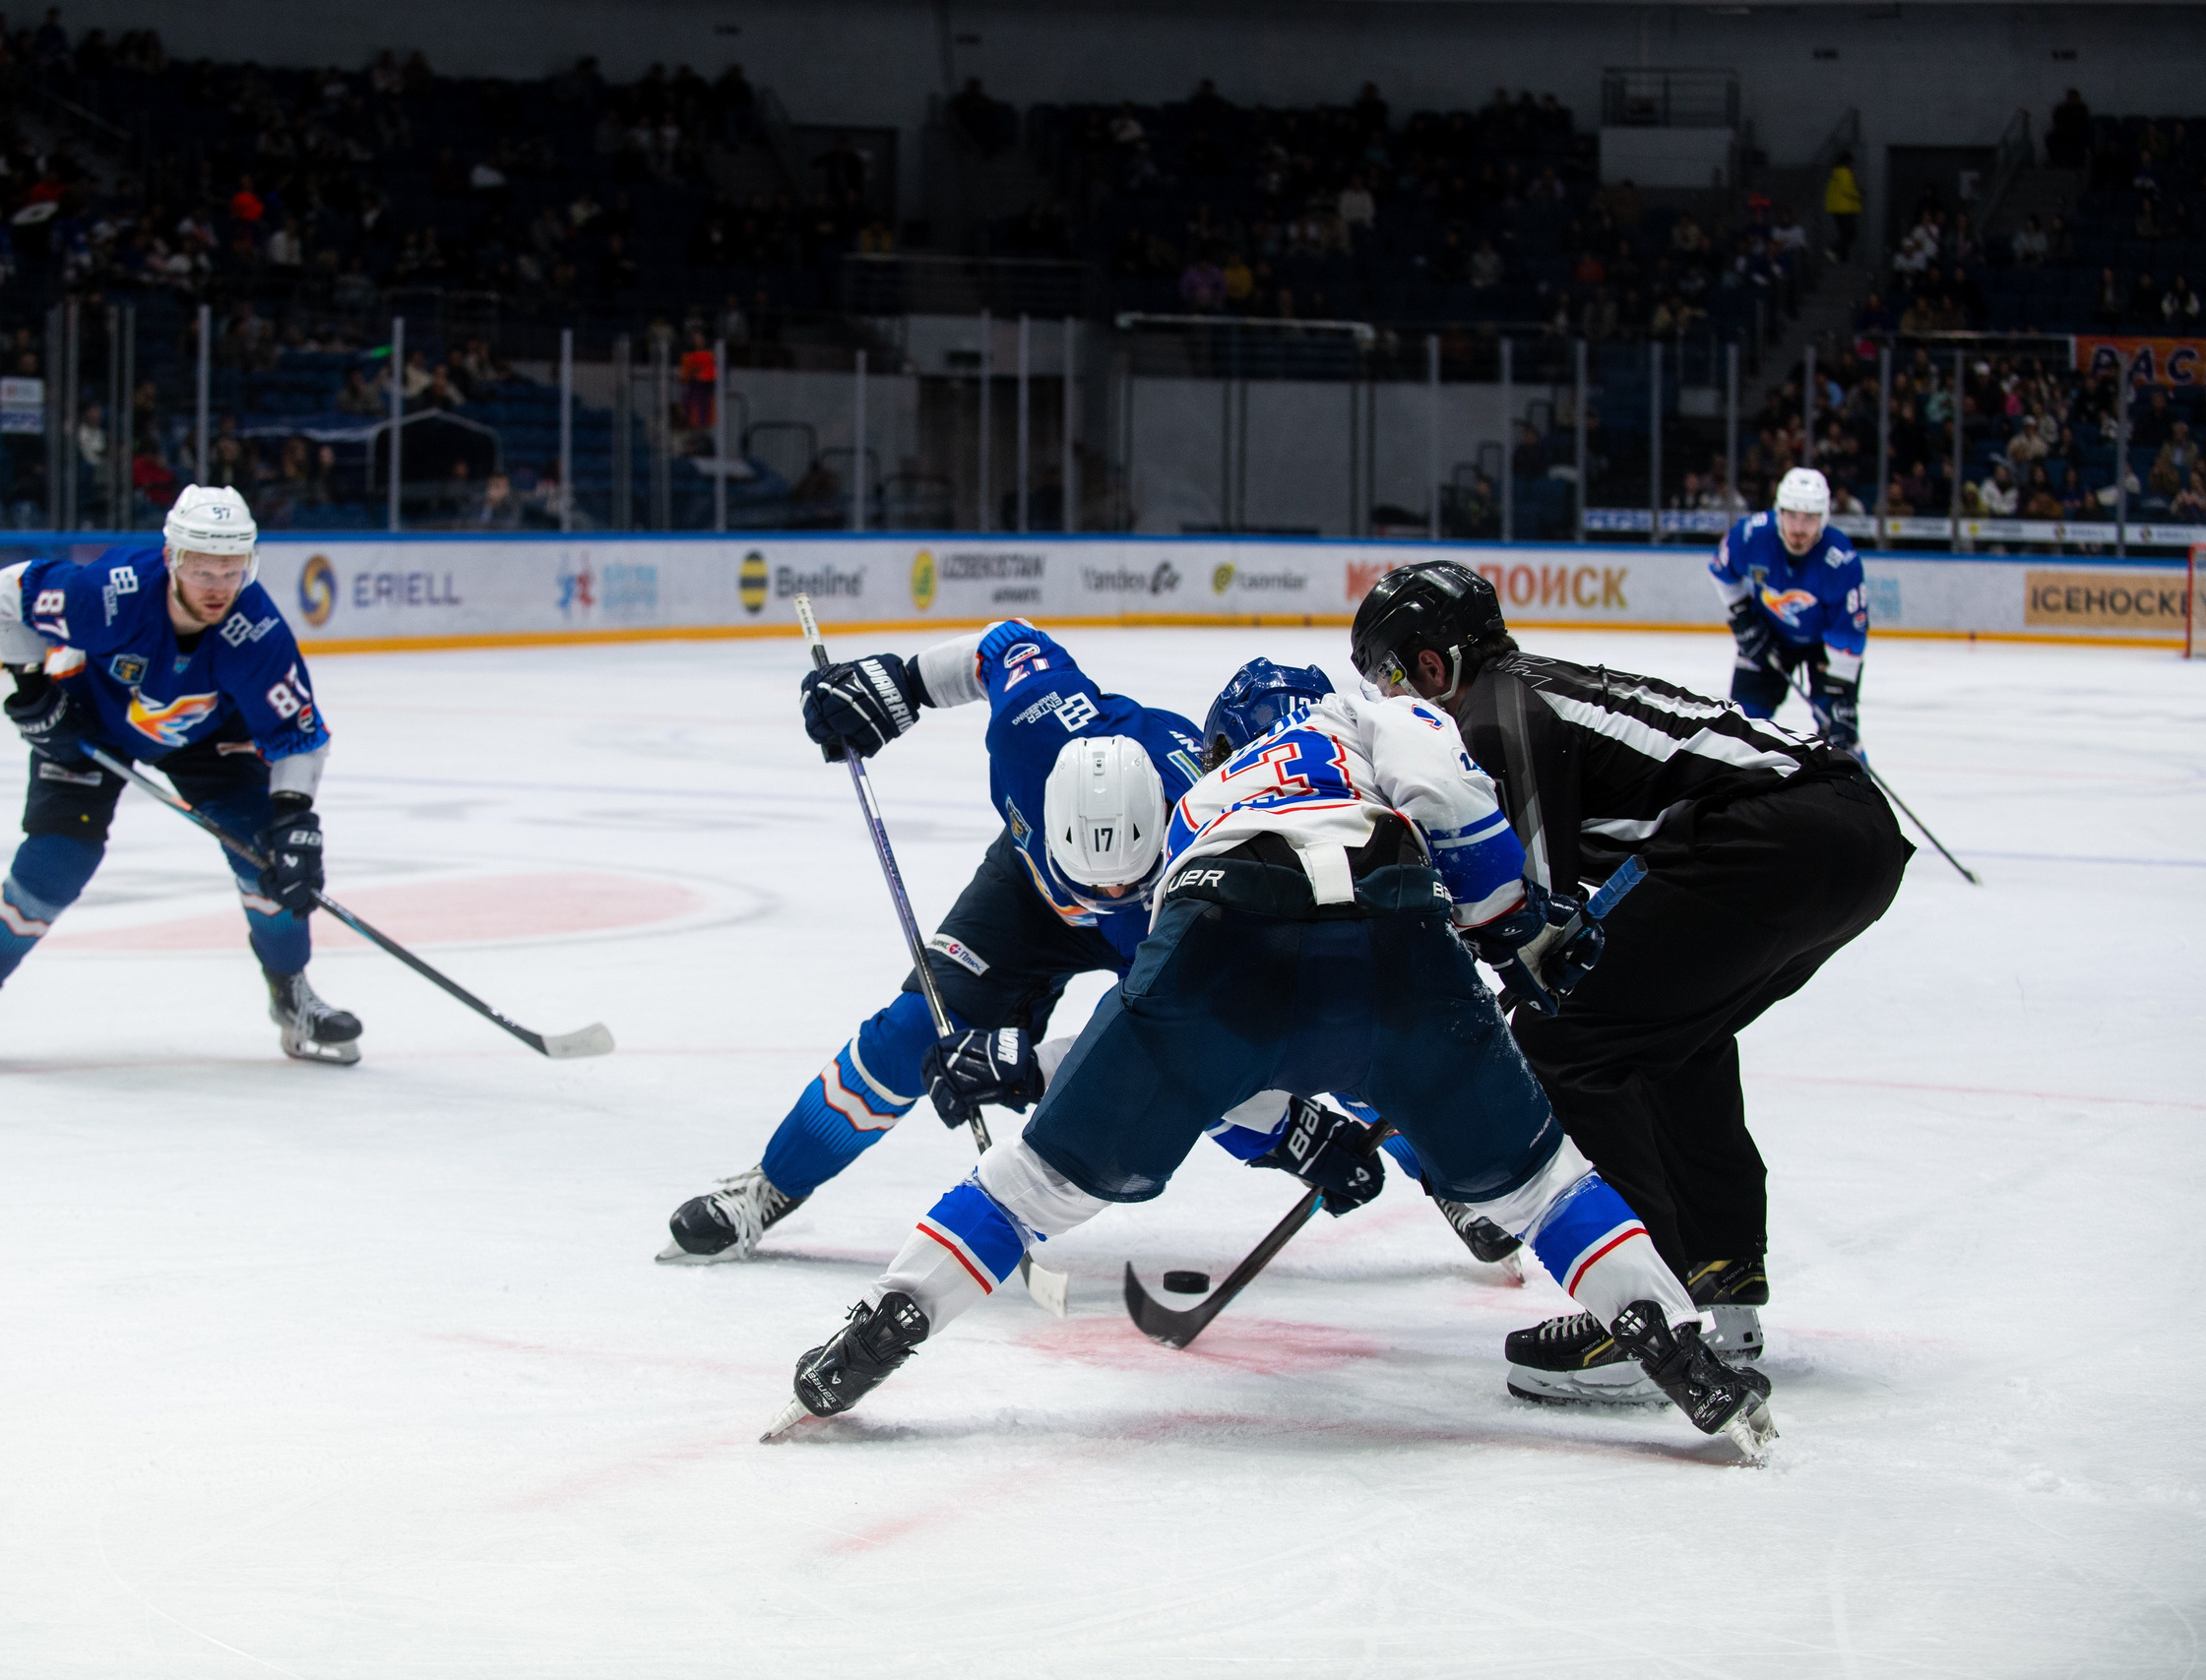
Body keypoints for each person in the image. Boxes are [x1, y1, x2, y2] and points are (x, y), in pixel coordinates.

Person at [771, 647, 1777, 1458]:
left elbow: (1188, 1045)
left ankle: (885, 1321)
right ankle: (1675, 1343)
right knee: (1545, 1189)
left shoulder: (1200, 802)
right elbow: (1450, 800)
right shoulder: (1364, 719)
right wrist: (1518, 924)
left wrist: (1265, 1123)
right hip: (1396, 945)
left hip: (1219, 942)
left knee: (1026, 1188)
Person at [1351, 560, 1909, 1402]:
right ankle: (1719, 1270)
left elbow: (1528, 919)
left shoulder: (1498, 714)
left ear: (1433, 665)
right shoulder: (1526, 690)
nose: (1396, 701)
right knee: (1665, 1027)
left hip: (1786, 834)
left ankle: (1640, 1308)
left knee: (1566, 1029)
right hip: (1842, 833)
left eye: (1392, 676)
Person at [662, 621, 1235, 1260]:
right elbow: (1005, 644)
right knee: (910, 1035)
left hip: (1156, 928)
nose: (1096, 900)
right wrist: (902, 684)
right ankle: (770, 1187)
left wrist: (1023, 1068)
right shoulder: (1034, 725)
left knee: (1183, 1089)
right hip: (1027, 891)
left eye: (1119, 883)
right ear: (1046, 807)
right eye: (1084, 881)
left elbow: (1184, 1040)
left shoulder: (1210, 860)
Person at [0, 485, 362, 1067]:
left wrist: (294, 817)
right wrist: (34, 688)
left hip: (205, 737)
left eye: (232, 569)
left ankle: (293, 999)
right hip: (90, 721)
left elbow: (298, 733)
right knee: (55, 863)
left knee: (267, 860)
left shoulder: (257, 630)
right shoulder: (110, 595)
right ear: (172, 559)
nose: (219, 587)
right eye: (202, 569)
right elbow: (3, 591)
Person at [1709, 467, 1867, 751]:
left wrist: (1842, 697)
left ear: (1824, 519)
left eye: (1809, 518)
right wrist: (1743, 617)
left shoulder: (1840, 560)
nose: (1798, 529)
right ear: (1778, 511)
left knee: (1841, 741)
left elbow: (1849, 633)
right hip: (1767, 632)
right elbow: (1722, 571)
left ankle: (1858, 794)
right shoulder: (1751, 535)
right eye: (1791, 515)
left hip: (1824, 647)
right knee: (1740, 729)